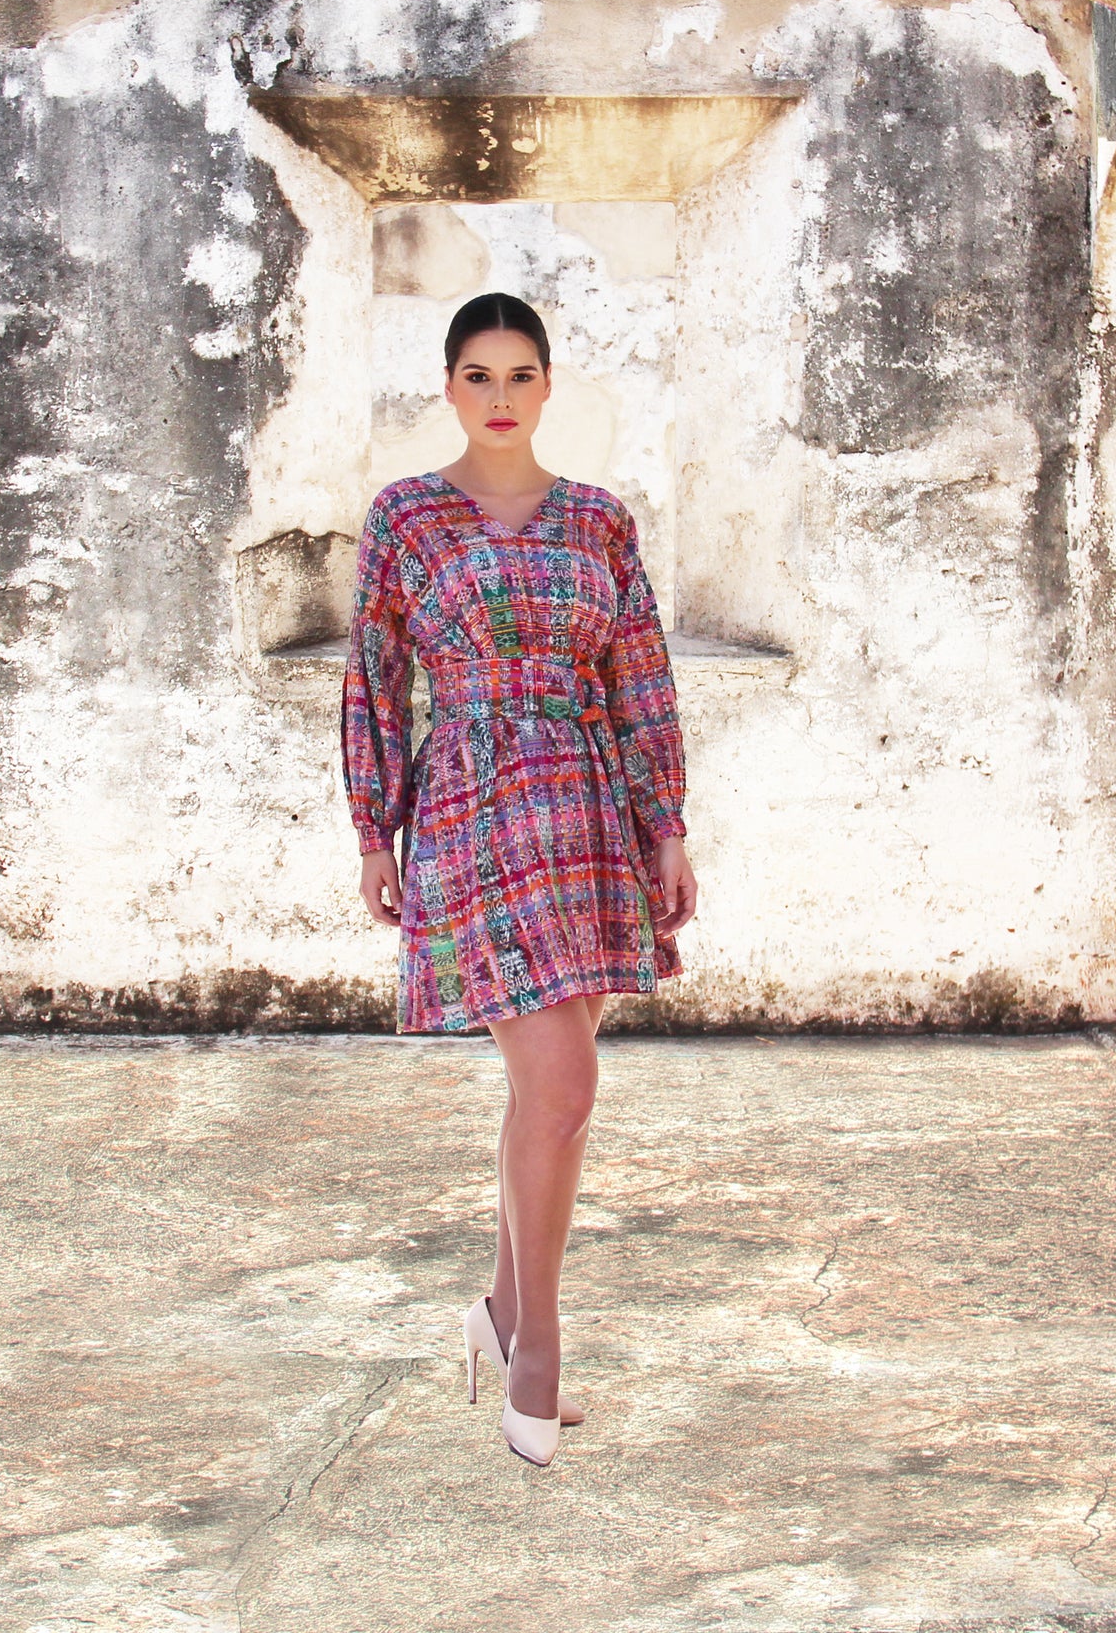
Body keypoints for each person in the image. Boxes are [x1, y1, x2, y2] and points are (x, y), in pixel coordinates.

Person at [339, 291, 698, 1466]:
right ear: (449, 386)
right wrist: (375, 830)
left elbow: (640, 675)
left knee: (550, 1095)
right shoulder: (407, 517)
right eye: (478, 375)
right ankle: (535, 1346)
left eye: (520, 374)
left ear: (548, 385)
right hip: (473, 808)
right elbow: (375, 680)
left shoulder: (598, 520)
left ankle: (498, 1312)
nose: (499, 396)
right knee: (561, 1084)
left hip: (588, 812)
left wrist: (664, 824)